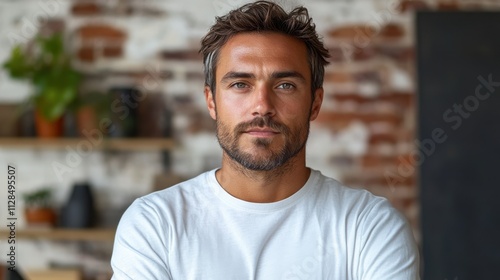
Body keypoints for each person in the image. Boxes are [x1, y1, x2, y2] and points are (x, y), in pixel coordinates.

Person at [110, 1, 420, 279]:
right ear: (211, 101)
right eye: (241, 84)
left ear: (315, 103)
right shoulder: (155, 225)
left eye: (285, 85)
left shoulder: (369, 228)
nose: (262, 106)